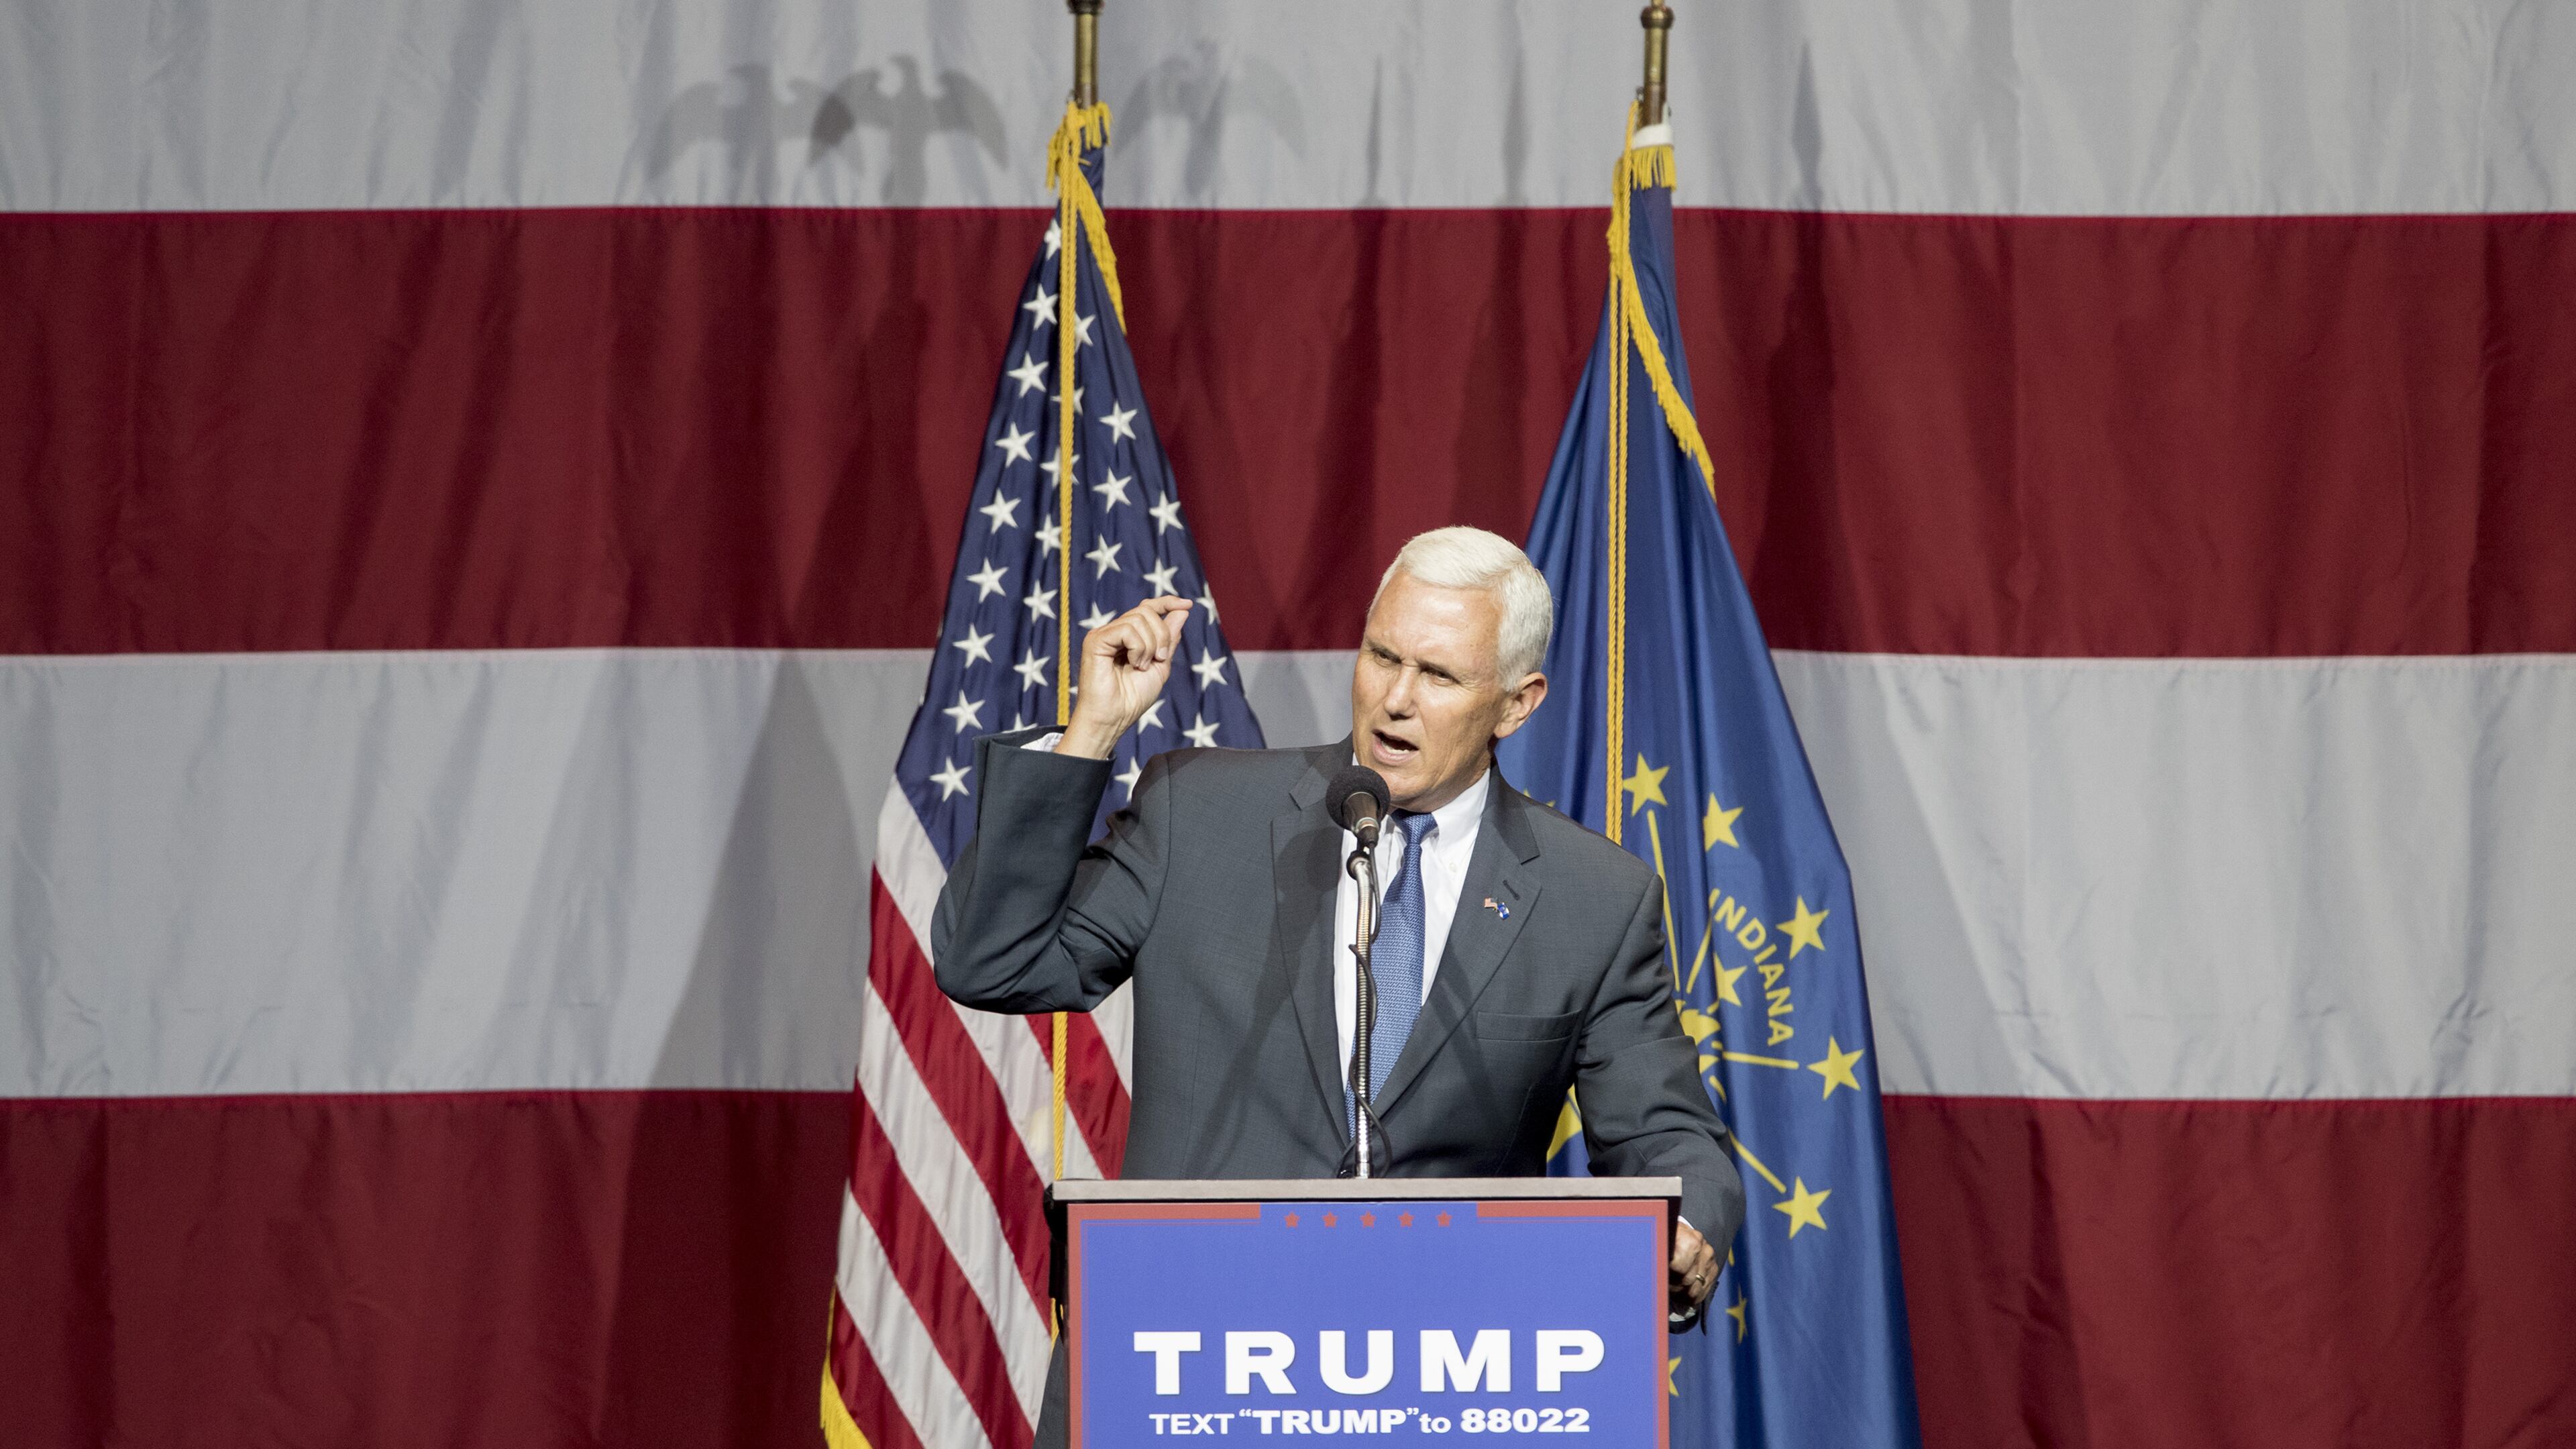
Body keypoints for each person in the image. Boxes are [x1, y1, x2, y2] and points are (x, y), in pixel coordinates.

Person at [935, 526, 1743, 1441]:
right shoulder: (1198, 813)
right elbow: (992, 960)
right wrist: (1092, 734)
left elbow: (1666, 1131)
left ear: (1517, 705)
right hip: (1186, 1373)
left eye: (1438, 676)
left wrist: (1689, 1223)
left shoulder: (1593, 898)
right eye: (1382, 657)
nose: (1395, 701)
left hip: (1443, 1390)